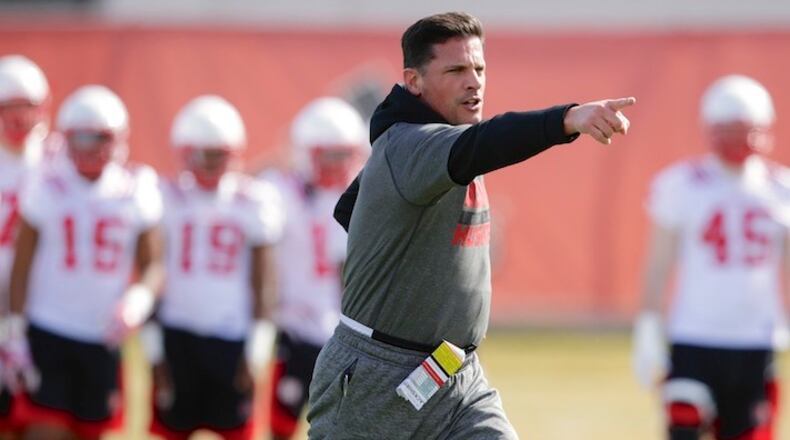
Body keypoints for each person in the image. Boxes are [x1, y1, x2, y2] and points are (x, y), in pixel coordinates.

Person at [307, 11, 635, 439]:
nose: (474, 81)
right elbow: (483, 143)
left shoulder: (445, 138)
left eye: (479, 68)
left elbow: (352, 209)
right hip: (375, 377)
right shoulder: (417, 143)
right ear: (414, 81)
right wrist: (565, 119)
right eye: (456, 70)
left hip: (453, 373)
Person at [4, 84, 164, 440]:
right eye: (82, 138)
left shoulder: (137, 188)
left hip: (101, 334)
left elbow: (153, 264)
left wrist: (138, 301)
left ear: (119, 138)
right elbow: (22, 264)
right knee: (43, 432)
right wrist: (15, 332)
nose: (90, 149)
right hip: (49, 329)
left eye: (99, 138)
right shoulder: (45, 184)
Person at [632, 75, 786, 440]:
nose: (738, 139)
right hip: (694, 335)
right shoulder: (682, 184)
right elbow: (659, 262)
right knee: (683, 430)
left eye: (744, 128)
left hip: (756, 340)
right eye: (729, 129)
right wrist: (648, 327)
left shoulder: (780, 189)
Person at [143, 95, 283, 440]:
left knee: (237, 431)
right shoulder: (163, 196)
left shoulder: (253, 200)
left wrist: (258, 349)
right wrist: (152, 349)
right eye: (202, 154)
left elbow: (263, 280)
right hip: (178, 334)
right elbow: (150, 271)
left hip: (230, 337)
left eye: (218, 154)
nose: (209, 164)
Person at [260, 97, 367, 439]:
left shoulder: (364, 197)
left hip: (346, 335)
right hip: (294, 328)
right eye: (329, 155)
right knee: (281, 422)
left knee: (348, 426)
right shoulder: (278, 193)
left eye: (343, 154)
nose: (337, 165)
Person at [0, 55, 56, 434]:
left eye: (28, 108)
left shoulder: (59, 159)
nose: (20, 120)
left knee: (42, 419)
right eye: (10, 109)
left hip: (44, 306)